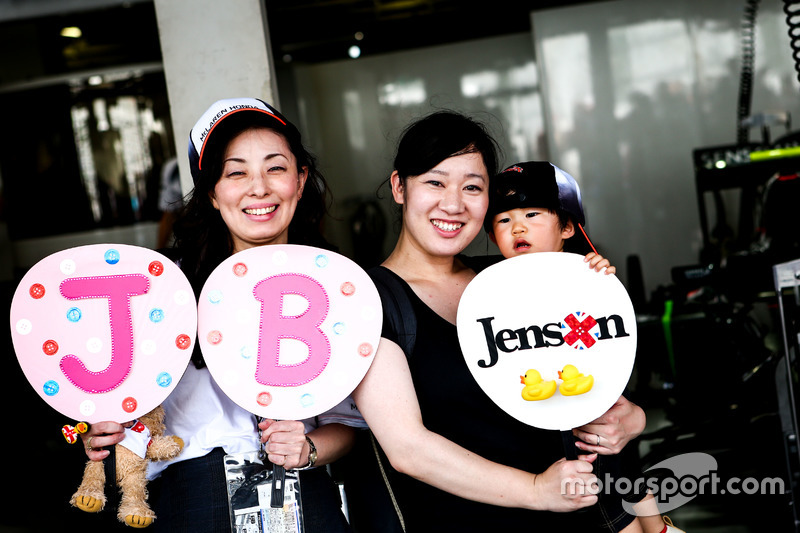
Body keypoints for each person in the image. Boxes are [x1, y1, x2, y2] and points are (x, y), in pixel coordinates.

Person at [347, 110, 646, 532]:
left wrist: (629, 419)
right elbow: (408, 449)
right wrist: (536, 490)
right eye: (435, 182)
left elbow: (586, 377)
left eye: (473, 187)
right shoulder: (369, 300)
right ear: (400, 187)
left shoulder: (514, 273)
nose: (453, 204)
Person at [78, 97, 362, 532]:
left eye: (276, 167)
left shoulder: (335, 283)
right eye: (236, 172)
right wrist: (106, 428)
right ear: (212, 192)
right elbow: (122, 405)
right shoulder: (163, 286)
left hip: (305, 495)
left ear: (300, 180)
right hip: (192, 495)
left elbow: (348, 421)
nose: (259, 188)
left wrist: (309, 447)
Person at [485, 161, 683, 533]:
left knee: (622, 462)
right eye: (504, 220)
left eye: (531, 214)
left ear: (567, 227)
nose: (518, 227)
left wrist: (598, 276)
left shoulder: (587, 274)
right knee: (606, 497)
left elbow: (610, 328)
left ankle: (658, 527)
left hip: (594, 396)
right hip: (549, 420)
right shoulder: (493, 291)